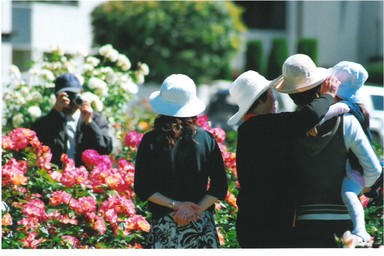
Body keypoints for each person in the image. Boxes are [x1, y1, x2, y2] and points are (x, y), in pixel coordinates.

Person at [274, 54, 382, 248]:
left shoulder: (286, 127)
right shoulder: (347, 122)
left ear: (290, 94)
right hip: (344, 224)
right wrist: (363, 186)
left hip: (303, 221)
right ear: (321, 85)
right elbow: (374, 169)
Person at [227, 66, 340, 247]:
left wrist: (302, 125)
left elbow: (299, 122)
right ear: (264, 98)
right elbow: (309, 115)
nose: (275, 98)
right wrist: (328, 95)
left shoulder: (250, 128)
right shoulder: (266, 125)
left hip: (251, 221)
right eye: (271, 93)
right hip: (270, 224)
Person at [133, 74, 228, 248]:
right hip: (200, 226)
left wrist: (176, 206)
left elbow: (143, 188)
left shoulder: (150, 140)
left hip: (164, 227)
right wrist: (195, 210)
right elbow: (220, 186)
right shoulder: (206, 139)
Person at [309, 61, 383, 246]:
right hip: (357, 170)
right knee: (350, 194)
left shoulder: (345, 111)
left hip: (356, 172)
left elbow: (334, 109)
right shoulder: (359, 108)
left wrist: (313, 120)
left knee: (349, 194)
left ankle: (361, 231)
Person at [31, 73, 113, 168]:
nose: (71, 100)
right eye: (67, 95)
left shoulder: (96, 119)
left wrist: (89, 123)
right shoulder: (46, 122)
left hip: (87, 178)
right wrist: (55, 114)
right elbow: (36, 144)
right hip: (55, 178)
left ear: (81, 93)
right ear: (57, 96)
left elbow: (105, 149)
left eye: (74, 95)